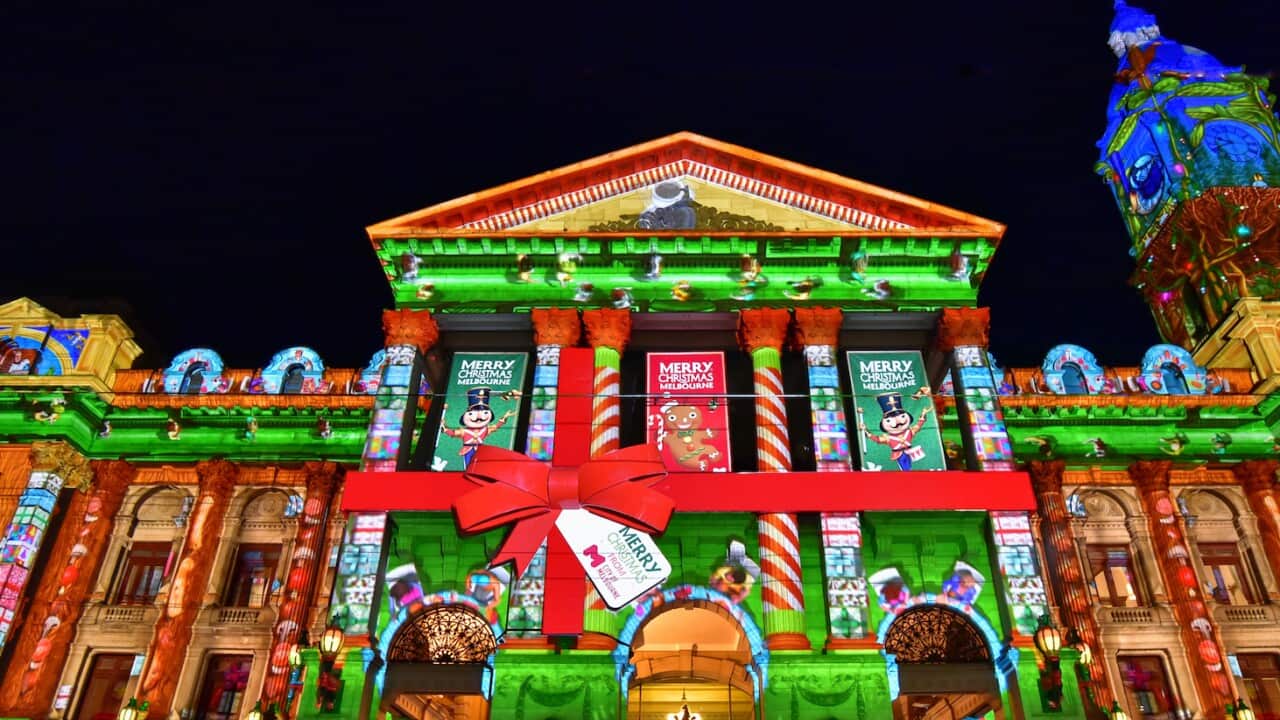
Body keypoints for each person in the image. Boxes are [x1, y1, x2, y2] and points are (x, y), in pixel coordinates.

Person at [440, 387, 516, 467]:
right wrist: (443, 427)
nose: (479, 416)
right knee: (468, 467)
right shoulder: (464, 431)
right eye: (471, 413)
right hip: (467, 451)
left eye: (485, 412)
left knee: (480, 467)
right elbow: (453, 433)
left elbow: (495, 427)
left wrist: (504, 417)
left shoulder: (485, 430)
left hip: (480, 450)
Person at [857, 392, 931, 470]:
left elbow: (918, 426)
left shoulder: (909, 432)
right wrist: (865, 429)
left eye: (902, 416)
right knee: (905, 469)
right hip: (898, 454)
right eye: (889, 420)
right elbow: (877, 439)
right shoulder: (888, 438)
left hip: (910, 452)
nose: (897, 422)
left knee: (909, 468)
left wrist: (923, 414)